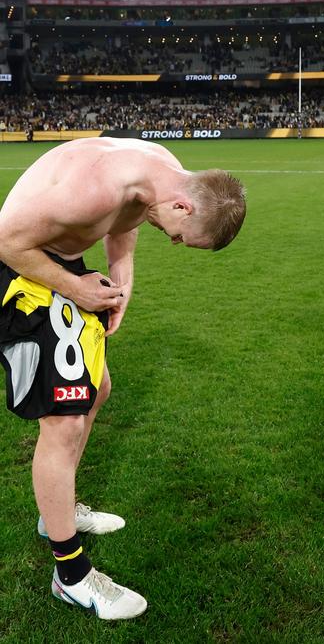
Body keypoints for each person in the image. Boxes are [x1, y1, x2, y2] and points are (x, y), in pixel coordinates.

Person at [0, 137, 246, 619]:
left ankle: (59, 512)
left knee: (98, 390)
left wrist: (121, 279)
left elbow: (128, 219)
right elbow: (5, 240)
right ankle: (69, 575)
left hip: (55, 262)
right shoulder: (89, 190)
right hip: (16, 266)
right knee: (65, 419)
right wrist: (77, 289)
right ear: (182, 203)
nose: (174, 241)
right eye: (180, 235)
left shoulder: (162, 174)